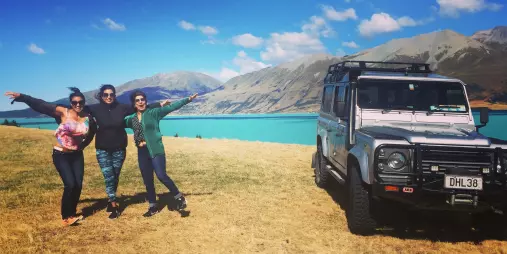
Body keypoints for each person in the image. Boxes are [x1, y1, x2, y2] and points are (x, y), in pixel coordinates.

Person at [4, 88, 97, 226]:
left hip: (77, 155)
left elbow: (92, 133)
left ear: (84, 102)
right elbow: (41, 104)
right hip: (60, 154)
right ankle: (66, 217)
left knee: (77, 185)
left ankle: (71, 213)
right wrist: (23, 97)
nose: (78, 104)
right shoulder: (63, 112)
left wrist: (83, 146)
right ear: (71, 103)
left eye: (80, 102)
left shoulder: (88, 117)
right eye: (74, 102)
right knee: (70, 184)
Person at [84, 84, 165, 219]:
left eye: (111, 94)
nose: (109, 97)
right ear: (101, 96)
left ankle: (111, 200)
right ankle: (114, 206)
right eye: (106, 95)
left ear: (114, 95)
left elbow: (140, 106)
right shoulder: (95, 109)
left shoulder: (122, 108)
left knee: (115, 176)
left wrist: (158, 104)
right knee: (109, 176)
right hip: (102, 149)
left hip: (119, 149)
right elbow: (78, 109)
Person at [124, 90, 197, 217]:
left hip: (156, 149)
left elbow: (172, 107)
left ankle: (179, 197)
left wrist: (188, 99)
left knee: (161, 175)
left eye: (143, 99)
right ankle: (153, 206)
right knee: (148, 180)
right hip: (142, 152)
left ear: (146, 101)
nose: (141, 102)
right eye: (138, 100)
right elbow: (115, 122)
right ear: (134, 104)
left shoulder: (154, 113)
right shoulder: (131, 119)